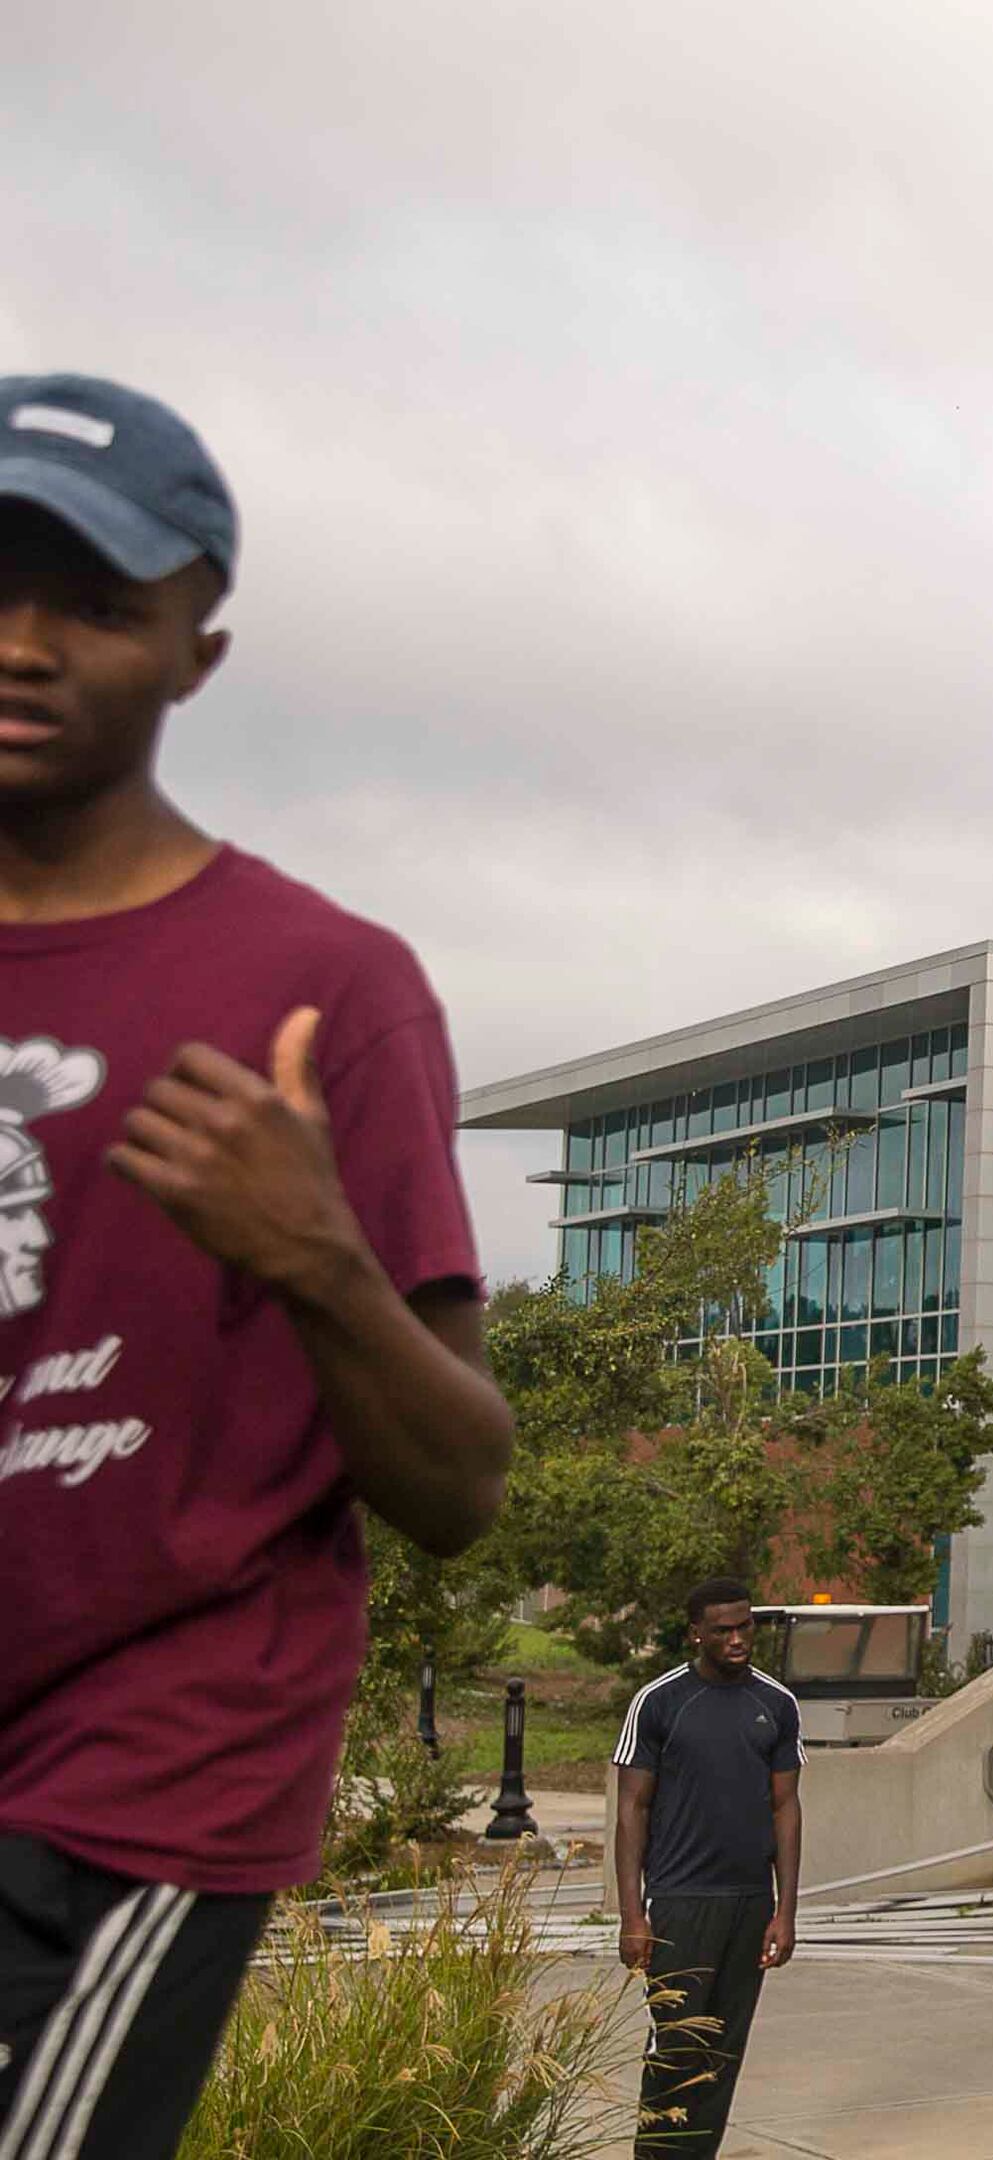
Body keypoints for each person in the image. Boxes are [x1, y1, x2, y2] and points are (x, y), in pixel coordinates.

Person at [0, 374, 515, 2160]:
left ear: (197, 653)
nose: (23, 644)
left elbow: (460, 1483)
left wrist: (319, 1260)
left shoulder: (324, 991)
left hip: (143, 1765)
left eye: (93, 602)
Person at [612, 1579, 806, 2158]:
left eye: (745, 1625)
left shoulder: (776, 1704)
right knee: (675, 2047)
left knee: (723, 2051)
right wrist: (631, 1913)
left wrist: (785, 1910)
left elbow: (786, 1808)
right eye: (722, 1629)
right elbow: (631, 1809)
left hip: (749, 1902)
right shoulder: (660, 1701)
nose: (738, 1638)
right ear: (696, 1632)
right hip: (680, 1901)